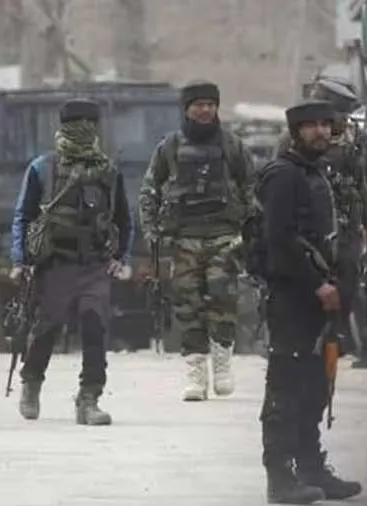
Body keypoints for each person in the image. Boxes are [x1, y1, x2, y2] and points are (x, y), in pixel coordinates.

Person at [257, 99, 362, 504]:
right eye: (311, 126)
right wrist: (316, 284)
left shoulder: (319, 172)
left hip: (325, 298)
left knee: (316, 387)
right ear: (296, 131)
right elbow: (279, 241)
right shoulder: (283, 175)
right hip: (292, 298)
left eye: (325, 124)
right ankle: (280, 478)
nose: (320, 132)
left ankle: (312, 468)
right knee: (286, 389)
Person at [9, 98, 134, 425]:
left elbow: (123, 219)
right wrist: (20, 260)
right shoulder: (42, 168)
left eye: (89, 123)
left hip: (94, 263)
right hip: (55, 264)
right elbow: (23, 215)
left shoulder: (108, 171)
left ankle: (89, 399)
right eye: (76, 123)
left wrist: (121, 257)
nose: (83, 129)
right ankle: (31, 382)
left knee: (95, 325)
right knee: (46, 328)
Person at [138, 80, 253, 401]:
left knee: (223, 299)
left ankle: (222, 363)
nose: (205, 110)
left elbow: (250, 187)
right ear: (186, 109)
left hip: (225, 237)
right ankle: (196, 372)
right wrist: (151, 230)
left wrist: (252, 229)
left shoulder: (232, 145)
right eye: (199, 105)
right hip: (184, 238)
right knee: (188, 305)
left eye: (211, 105)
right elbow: (149, 189)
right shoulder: (170, 146)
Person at [279, 79, 367, 365]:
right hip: (310, 228)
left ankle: (338, 338)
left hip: (347, 227)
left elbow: (361, 185)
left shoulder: (356, 140)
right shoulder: (293, 139)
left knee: (348, 285)